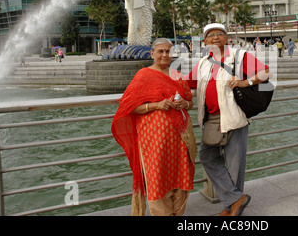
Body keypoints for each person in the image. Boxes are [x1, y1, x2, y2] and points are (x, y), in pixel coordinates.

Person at [187, 23, 269, 216]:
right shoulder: (203, 63)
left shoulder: (239, 57)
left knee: (234, 167)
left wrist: (245, 82)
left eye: (220, 34)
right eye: (210, 35)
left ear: (227, 38)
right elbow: (185, 83)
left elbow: (266, 73)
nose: (215, 37)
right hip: (212, 121)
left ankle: (230, 207)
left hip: (234, 118)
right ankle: (235, 200)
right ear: (205, 41)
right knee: (207, 156)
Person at [111, 38, 197, 216]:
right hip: (154, 141)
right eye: (160, 51)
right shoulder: (143, 75)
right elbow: (129, 107)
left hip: (180, 138)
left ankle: (178, 213)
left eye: (168, 51)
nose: (165, 55)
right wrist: (156, 105)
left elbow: (190, 102)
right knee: (157, 179)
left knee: (181, 176)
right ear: (152, 54)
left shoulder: (177, 76)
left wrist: (184, 105)